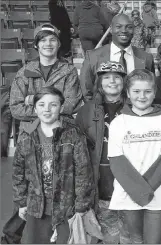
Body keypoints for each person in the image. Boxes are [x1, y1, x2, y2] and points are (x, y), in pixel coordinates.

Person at [12, 87, 94, 244]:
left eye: (53, 105)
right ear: (35, 109)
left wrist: (81, 206)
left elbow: (84, 172)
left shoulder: (73, 134)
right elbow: (18, 172)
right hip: (37, 207)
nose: (47, 109)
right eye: (41, 105)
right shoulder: (26, 136)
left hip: (67, 207)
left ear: (61, 108)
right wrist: (21, 203)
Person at [107, 69, 161, 243]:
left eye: (147, 91)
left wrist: (145, 190)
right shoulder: (118, 122)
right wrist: (137, 191)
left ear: (154, 93)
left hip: (158, 192)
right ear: (128, 94)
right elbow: (116, 160)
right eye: (136, 91)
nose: (142, 96)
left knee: (154, 241)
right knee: (136, 239)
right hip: (129, 191)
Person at [76, 61, 127, 243]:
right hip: (101, 182)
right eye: (106, 78)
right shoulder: (86, 111)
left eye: (117, 77)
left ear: (124, 81)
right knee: (108, 235)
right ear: (99, 82)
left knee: (131, 234)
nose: (112, 81)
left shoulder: (135, 107)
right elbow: (79, 152)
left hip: (129, 181)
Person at [10, 23, 82, 135]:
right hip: (30, 133)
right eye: (43, 40)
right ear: (36, 45)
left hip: (61, 132)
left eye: (52, 40)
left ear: (58, 44)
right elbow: (15, 108)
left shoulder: (69, 71)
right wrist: (53, 107)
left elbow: (70, 105)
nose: (48, 44)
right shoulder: (24, 71)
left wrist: (32, 100)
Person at [80, 13, 155, 102]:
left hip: (137, 113)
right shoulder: (92, 57)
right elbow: (87, 92)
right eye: (118, 27)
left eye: (129, 27)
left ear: (134, 30)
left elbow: (150, 88)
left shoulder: (146, 58)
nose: (124, 30)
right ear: (111, 29)